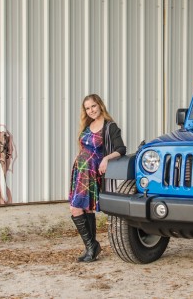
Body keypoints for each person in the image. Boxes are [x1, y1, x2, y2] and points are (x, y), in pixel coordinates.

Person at [69, 94, 126, 262]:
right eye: (87, 108)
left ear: (100, 105)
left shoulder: (110, 126)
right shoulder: (87, 125)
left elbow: (121, 149)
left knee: (76, 208)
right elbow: (84, 146)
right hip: (80, 171)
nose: (91, 110)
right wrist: (78, 156)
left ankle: (92, 246)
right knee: (84, 209)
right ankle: (91, 248)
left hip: (92, 172)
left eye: (93, 106)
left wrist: (107, 159)